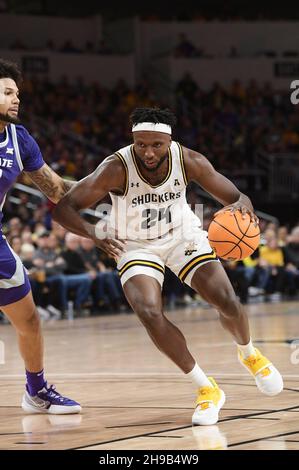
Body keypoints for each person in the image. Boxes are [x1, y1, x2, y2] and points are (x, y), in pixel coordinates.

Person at [53, 107, 283, 425]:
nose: (148, 152)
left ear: (169, 141)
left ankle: (249, 354)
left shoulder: (190, 160)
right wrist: (94, 233)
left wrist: (243, 205)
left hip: (182, 235)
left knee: (228, 301)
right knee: (148, 311)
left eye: (156, 145)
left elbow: (234, 196)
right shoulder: (114, 167)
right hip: (135, 244)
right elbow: (64, 209)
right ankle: (206, 389)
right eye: (141, 144)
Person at [0, 58, 80, 414]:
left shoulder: (19, 139)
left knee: (29, 319)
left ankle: (36, 391)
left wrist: (112, 186)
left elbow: (58, 189)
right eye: (6, 92)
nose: (16, 99)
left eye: (17, 93)